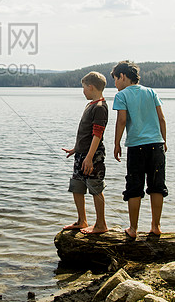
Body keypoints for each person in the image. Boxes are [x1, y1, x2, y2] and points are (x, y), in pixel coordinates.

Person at [111, 60, 167, 239]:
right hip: (156, 145)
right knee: (157, 186)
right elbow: (162, 119)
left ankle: (133, 229)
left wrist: (116, 143)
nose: (115, 84)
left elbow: (121, 121)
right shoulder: (151, 92)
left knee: (135, 187)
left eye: (115, 79)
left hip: (136, 147)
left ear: (122, 76)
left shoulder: (122, 95)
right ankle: (156, 226)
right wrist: (163, 140)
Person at [61, 71, 109, 234]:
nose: (83, 91)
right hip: (82, 154)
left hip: (93, 156)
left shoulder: (100, 107)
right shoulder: (90, 105)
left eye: (84, 88)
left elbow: (97, 134)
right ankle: (82, 221)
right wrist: (76, 149)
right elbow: (85, 133)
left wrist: (89, 158)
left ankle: (101, 224)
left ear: (91, 87)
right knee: (77, 186)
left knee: (95, 187)